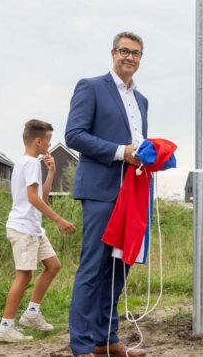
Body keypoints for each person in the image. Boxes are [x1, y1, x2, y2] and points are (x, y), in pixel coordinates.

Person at [65, 32, 149, 357]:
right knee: (93, 268)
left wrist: (151, 153)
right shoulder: (91, 86)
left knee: (119, 268)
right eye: (125, 51)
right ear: (113, 53)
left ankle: (106, 341)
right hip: (100, 191)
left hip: (133, 192)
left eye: (136, 53)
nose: (130, 57)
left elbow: (137, 143)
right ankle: (82, 347)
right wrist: (120, 152)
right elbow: (74, 134)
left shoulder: (142, 100)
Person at [0, 120, 77, 343]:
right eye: (48, 140)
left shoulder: (27, 163)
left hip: (33, 228)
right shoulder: (30, 163)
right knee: (24, 276)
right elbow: (32, 199)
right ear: (38, 141)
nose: (49, 145)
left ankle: (31, 313)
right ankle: (5, 326)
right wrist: (59, 220)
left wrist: (51, 172)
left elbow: (41, 197)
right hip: (23, 229)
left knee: (53, 266)